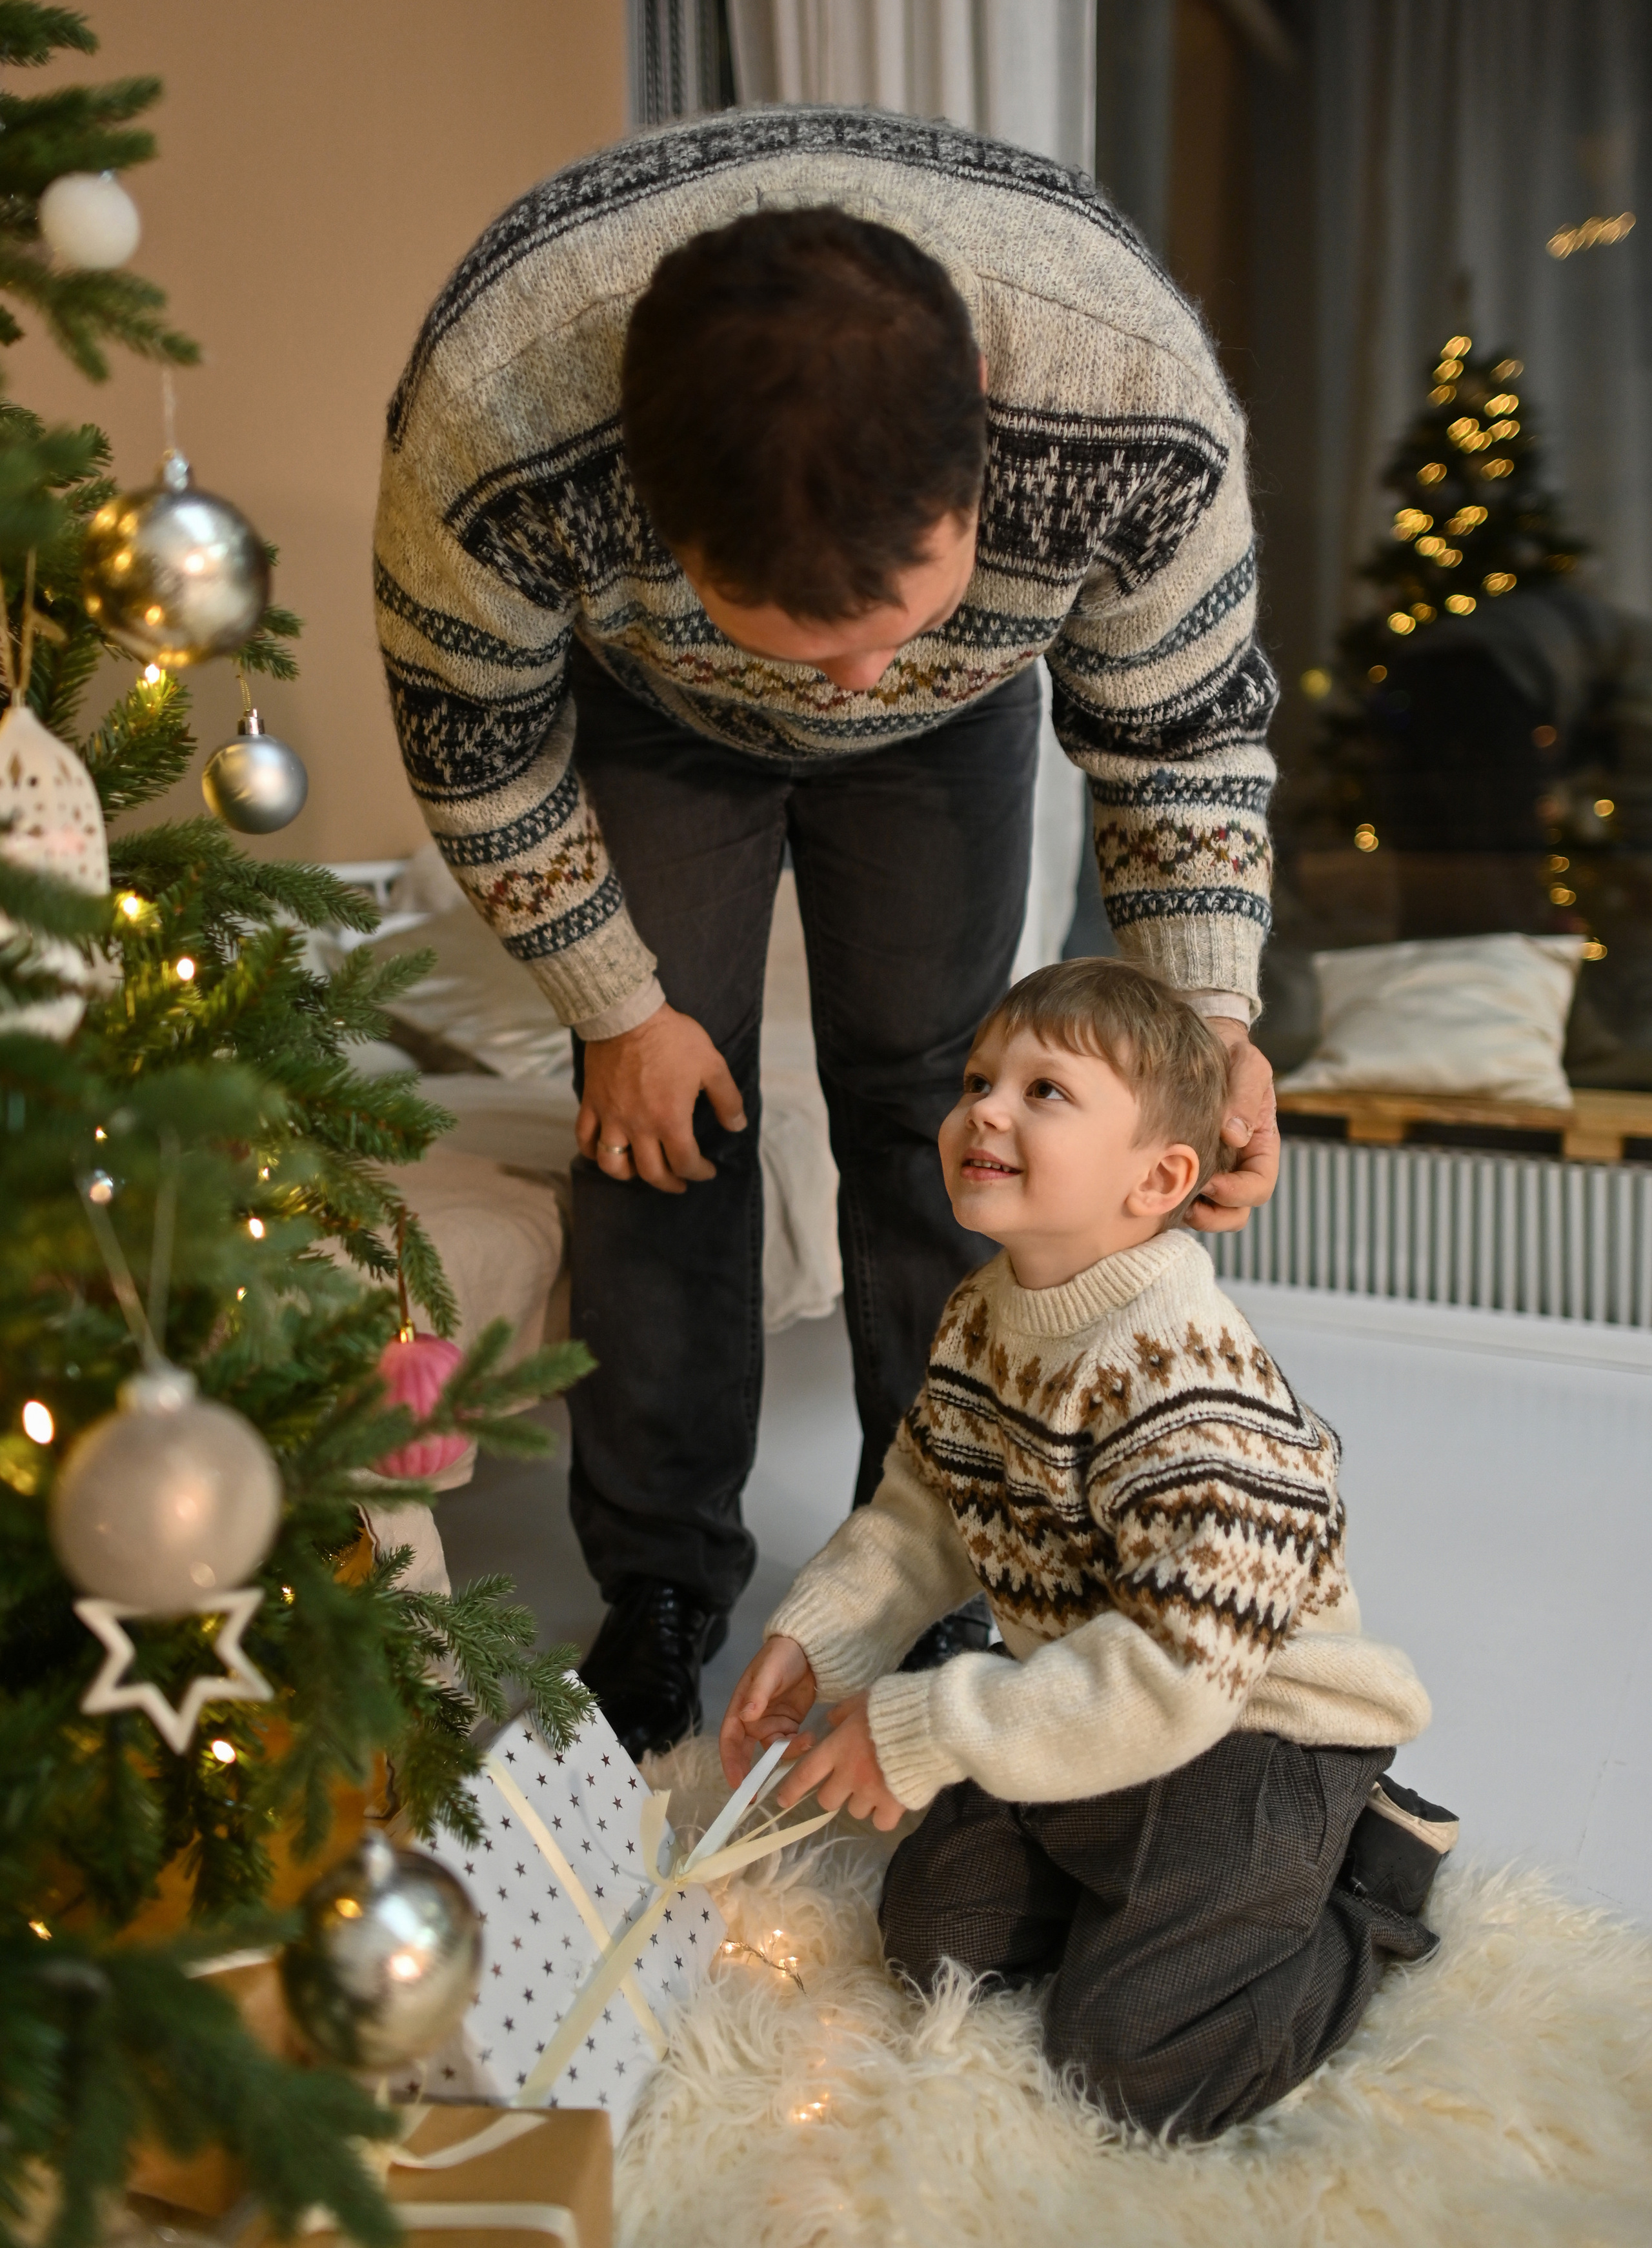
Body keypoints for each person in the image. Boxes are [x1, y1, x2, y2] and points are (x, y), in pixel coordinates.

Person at [375, 107, 1282, 1760]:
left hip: (966, 730)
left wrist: (1206, 1023)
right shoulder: (498, 410)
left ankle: (943, 1557)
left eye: (896, 611)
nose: (848, 679)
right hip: (645, 713)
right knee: (660, 1121)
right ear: (662, 518)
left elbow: (1180, 739)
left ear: (977, 481)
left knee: (936, 1097)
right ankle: (658, 1581)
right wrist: (613, 1002)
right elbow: (471, 737)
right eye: (798, 631)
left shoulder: (1128, 398)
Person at [721, 959, 1454, 2142]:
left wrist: (937, 1729)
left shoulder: (1191, 1385)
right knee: (933, 1940)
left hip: (1250, 1732)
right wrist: (826, 1639)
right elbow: (925, 1509)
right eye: (978, 1080)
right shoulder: (984, 1313)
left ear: (1158, 1178)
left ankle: (1358, 1892)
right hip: (1092, 1700)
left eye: (1045, 1092)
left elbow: (1173, 1676)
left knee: (1135, 2061)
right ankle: (1138, 1889)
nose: (986, 1111)